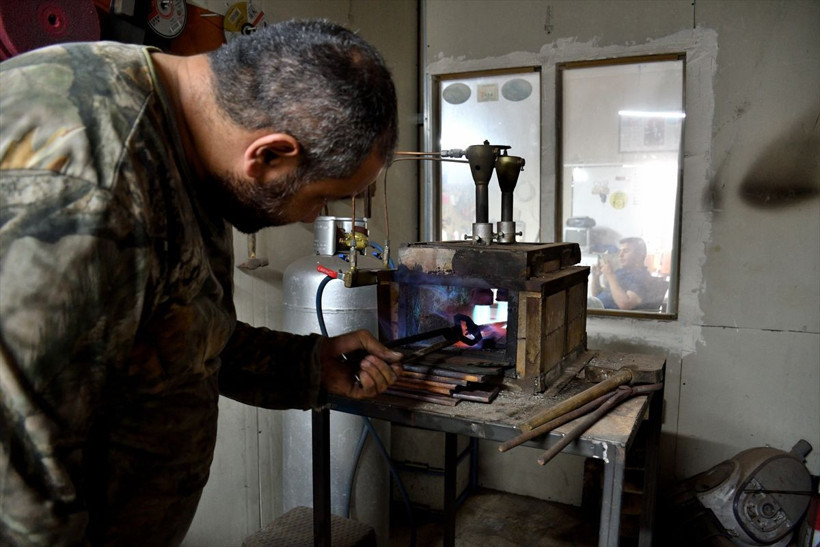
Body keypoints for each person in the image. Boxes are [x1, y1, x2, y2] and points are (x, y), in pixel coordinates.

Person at [0, 20, 404, 546]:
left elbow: (175, 327)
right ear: (268, 155)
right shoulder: (92, 191)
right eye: (318, 199)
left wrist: (306, 366)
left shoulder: (182, 126)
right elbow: (14, 476)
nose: (314, 216)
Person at [590, 237, 657, 310]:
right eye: (620, 251)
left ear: (640, 254)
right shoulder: (620, 272)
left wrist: (610, 275)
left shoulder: (641, 277)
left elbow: (626, 305)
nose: (620, 255)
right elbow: (597, 296)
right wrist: (595, 276)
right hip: (595, 311)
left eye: (626, 251)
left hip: (607, 318)